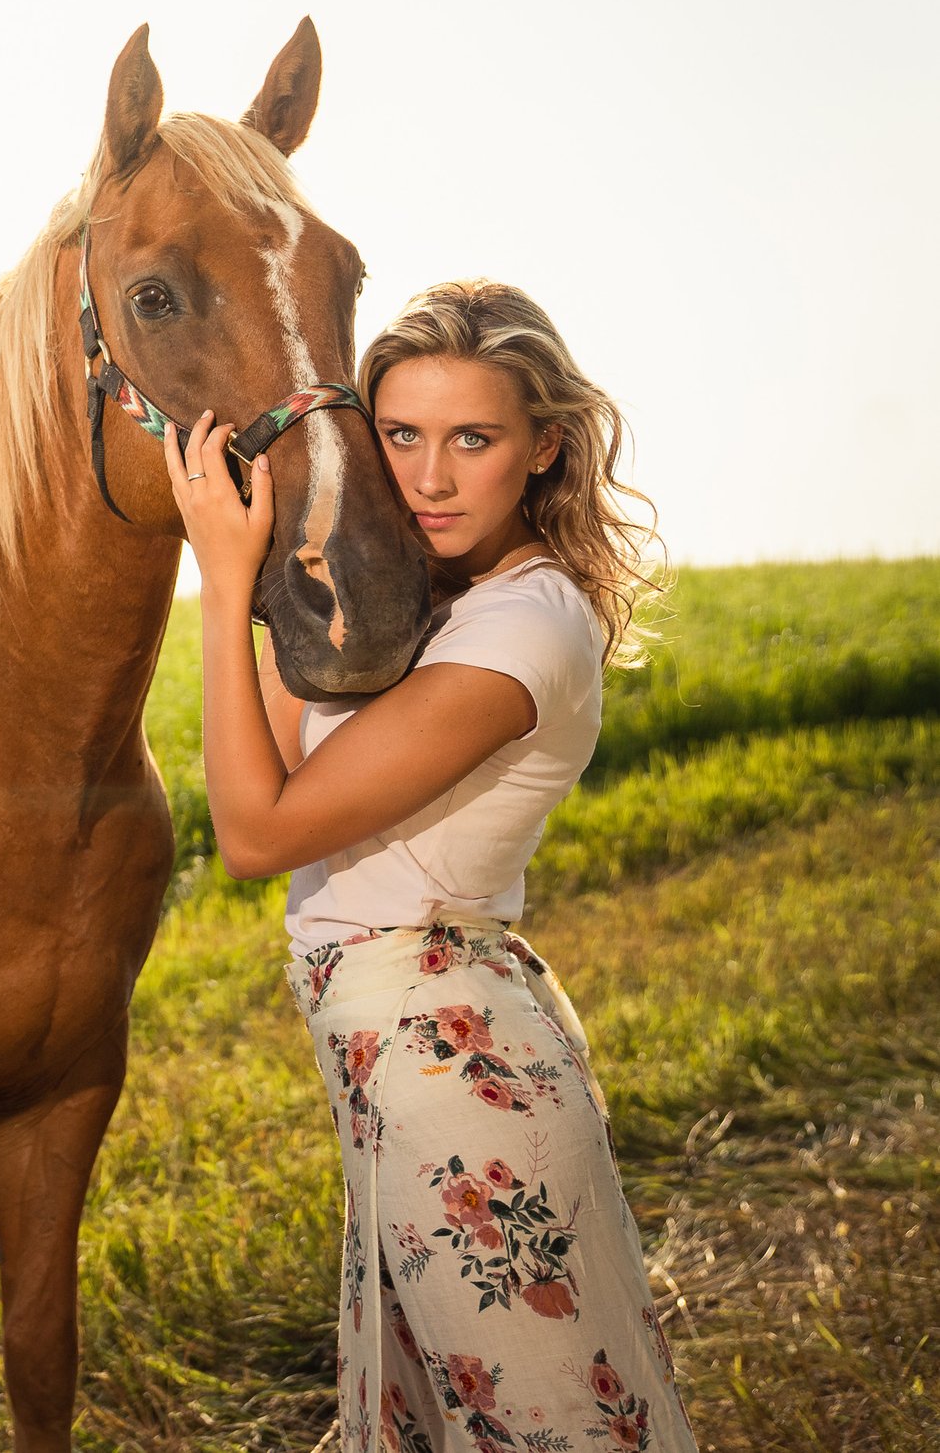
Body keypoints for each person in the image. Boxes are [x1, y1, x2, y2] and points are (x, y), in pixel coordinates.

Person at [161, 279, 694, 1453]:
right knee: (435, 1420)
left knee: (539, 1425)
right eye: (400, 435)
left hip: (462, 1073)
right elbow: (289, 731)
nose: (431, 477)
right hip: (405, 1070)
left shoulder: (523, 628)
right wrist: (277, 571)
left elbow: (255, 832)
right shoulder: (435, 607)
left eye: (473, 438)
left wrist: (216, 581)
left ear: (542, 448)